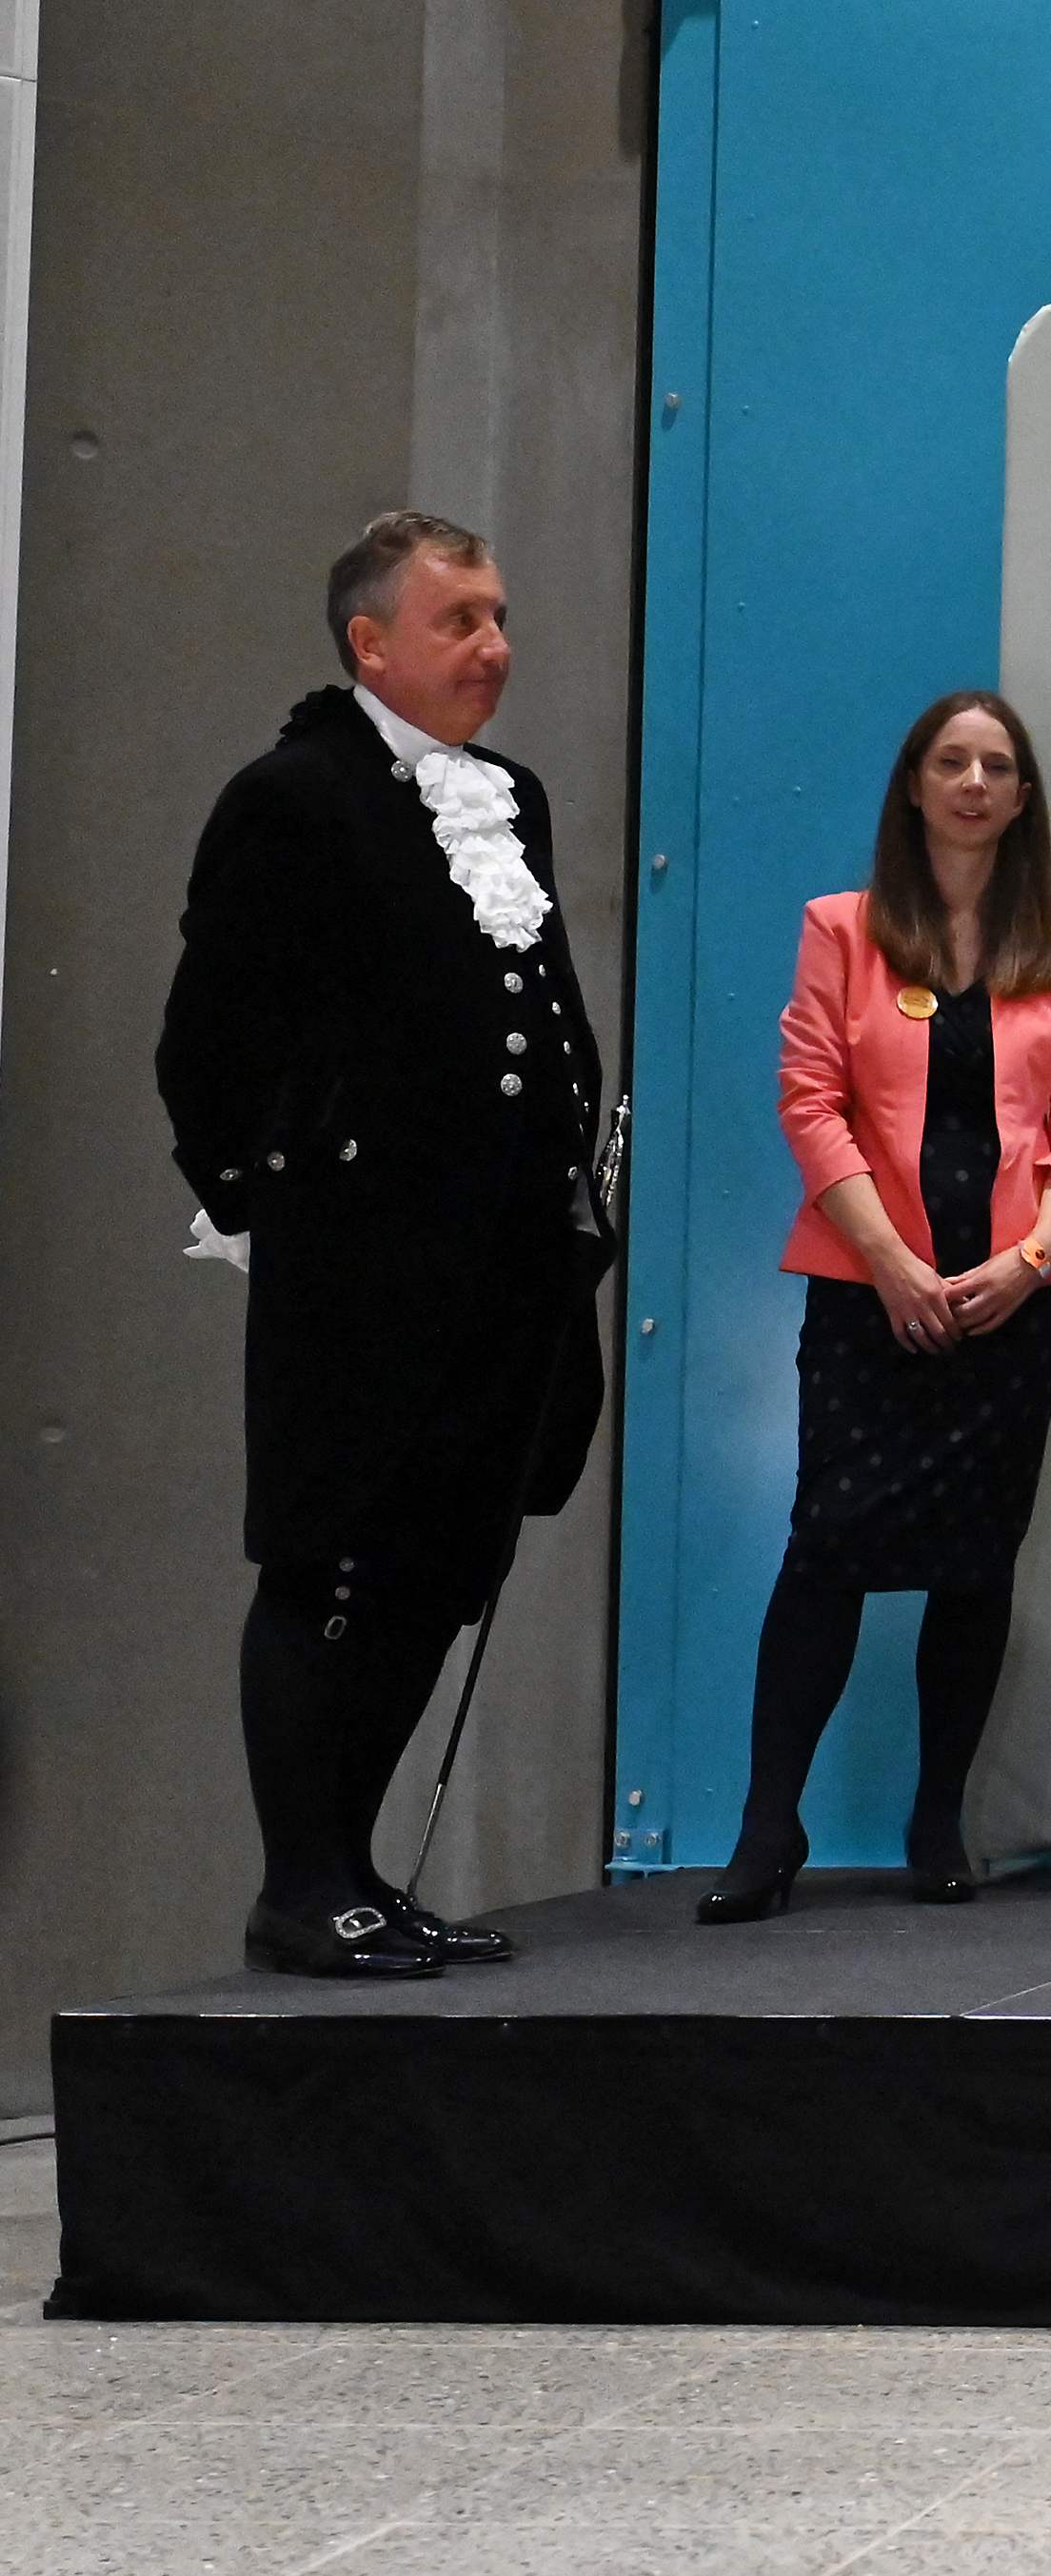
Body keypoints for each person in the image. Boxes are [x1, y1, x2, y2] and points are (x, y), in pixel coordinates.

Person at [159, 511, 610, 1980]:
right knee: (327, 1562)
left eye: (498, 617)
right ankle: (301, 1882)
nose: (494, 645)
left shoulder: (509, 797)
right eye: (460, 620)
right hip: (361, 1279)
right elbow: (208, 1041)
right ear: (372, 644)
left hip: (502, 1274)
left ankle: (353, 1867)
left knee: (439, 1562)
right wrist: (280, 1205)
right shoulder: (294, 798)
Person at [703, 691, 1051, 1922]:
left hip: (1017, 1301)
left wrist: (1032, 1259)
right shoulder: (844, 927)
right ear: (916, 786)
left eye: (998, 765)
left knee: (976, 1560)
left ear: (1024, 798)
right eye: (952, 761)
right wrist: (886, 1259)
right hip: (866, 1290)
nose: (975, 782)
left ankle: (937, 1823)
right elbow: (809, 1098)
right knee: (827, 1545)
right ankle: (766, 1829)